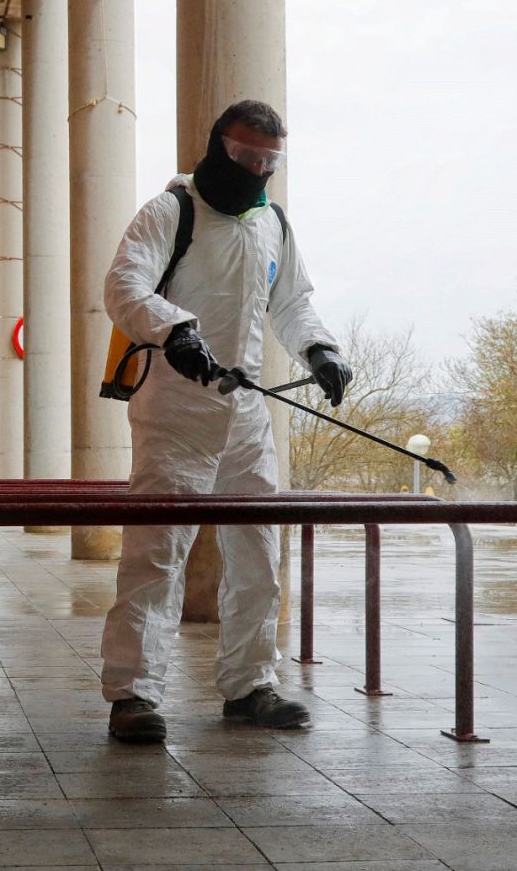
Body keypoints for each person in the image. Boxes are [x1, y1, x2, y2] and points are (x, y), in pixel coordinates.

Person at [100, 100, 352, 743]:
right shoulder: (171, 211)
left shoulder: (274, 224)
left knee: (259, 555)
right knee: (157, 556)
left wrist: (320, 350)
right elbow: (125, 287)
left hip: (246, 412)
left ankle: (250, 685)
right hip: (175, 408)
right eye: (247, 157)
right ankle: (134, 694)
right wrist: (176, 331)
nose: (258, 169)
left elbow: (292, 302)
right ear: (219, 147)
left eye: (271, 160)